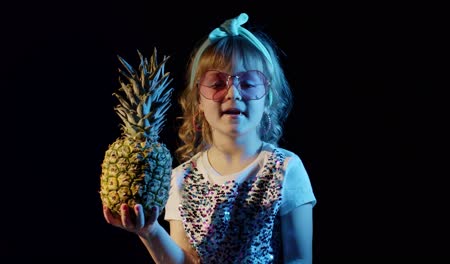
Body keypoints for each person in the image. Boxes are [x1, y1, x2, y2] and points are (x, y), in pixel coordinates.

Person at [103, 12, 317, 264]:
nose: (233, 93)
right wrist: (149, 232)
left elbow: (299, 259)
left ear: (268, 97)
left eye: (248, 83)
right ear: (199, 100)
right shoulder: (180, 179)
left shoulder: (286, 169)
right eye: (217, 84)